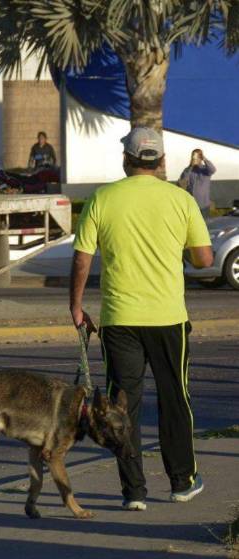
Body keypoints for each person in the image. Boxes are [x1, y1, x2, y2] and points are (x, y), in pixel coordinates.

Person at [69, 127, 213, 512]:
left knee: (122, 404)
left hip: (119, 320)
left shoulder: (102, 198)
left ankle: (133, 491)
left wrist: (76, 306)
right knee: (175, 398)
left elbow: (82, 258)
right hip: (168, 318)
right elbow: (204, 259)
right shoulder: (181, 200)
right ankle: (182, 482)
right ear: (161, 161)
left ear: (126, 160)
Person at [179, 149, 216, 221]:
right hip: (192, 204)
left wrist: (204, 159)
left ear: (200, 158)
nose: (195, 158)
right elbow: (183, 180)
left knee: (205, 224)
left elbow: (213, 170)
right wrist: (190, 166)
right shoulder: (188, 170)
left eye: (197, 157)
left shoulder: (205, 169)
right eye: (193, 156)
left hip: (203, 205)